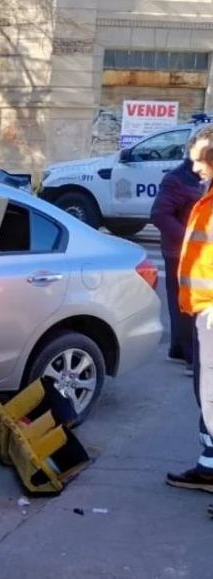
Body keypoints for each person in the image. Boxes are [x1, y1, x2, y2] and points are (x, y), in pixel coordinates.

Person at [166, 124, 213, 492]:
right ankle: (208, 466)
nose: (194, 168)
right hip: (203, 311)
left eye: (200, 160)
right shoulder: (207, 197)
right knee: (206, 393)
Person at [151, 151, 202, 374]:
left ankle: (178, 350)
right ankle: (192, 358)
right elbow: (159, 215)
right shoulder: (178, 179)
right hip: (179, 252)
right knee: (186, 305)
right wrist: (189, 240)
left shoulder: (202, 176)